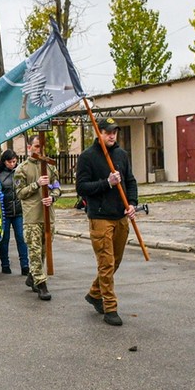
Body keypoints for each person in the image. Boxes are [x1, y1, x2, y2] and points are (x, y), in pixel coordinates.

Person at [75, 117, 138, 326]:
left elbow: (130, 181)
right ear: (98, 132)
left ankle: (94, 293)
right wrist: (107, 183)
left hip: (120, 216)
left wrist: (132, 203)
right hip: (100, 217)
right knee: (106, 263)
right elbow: (82, 188)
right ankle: (110, 307)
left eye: (115, 132)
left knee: (115, 262)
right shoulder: (87, 157)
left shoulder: (121, 155)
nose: (112, 135)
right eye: (108, 132)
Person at [15, 136, 61, 300]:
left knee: (43, 252)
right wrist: (36, 184)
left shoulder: (49, 166)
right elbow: (19, 193)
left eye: (41, 146)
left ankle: (32, 276)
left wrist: (53, 197)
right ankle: (41, 285)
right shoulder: (22, 168)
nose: (39, 149)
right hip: (32, 217)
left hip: (48, 217)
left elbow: (57, 187)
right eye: (36, 146)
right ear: (29, 147)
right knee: (34, 252)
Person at [0, 149, 29, 276]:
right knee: (4, 240)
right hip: (4, 212)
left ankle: (25, 265)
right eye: (9, 162)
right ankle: (5, 264)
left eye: (14, 162)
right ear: (4, 162)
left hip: (19, 211)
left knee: (21, 238)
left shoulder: (20, 172)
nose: (12, 164)